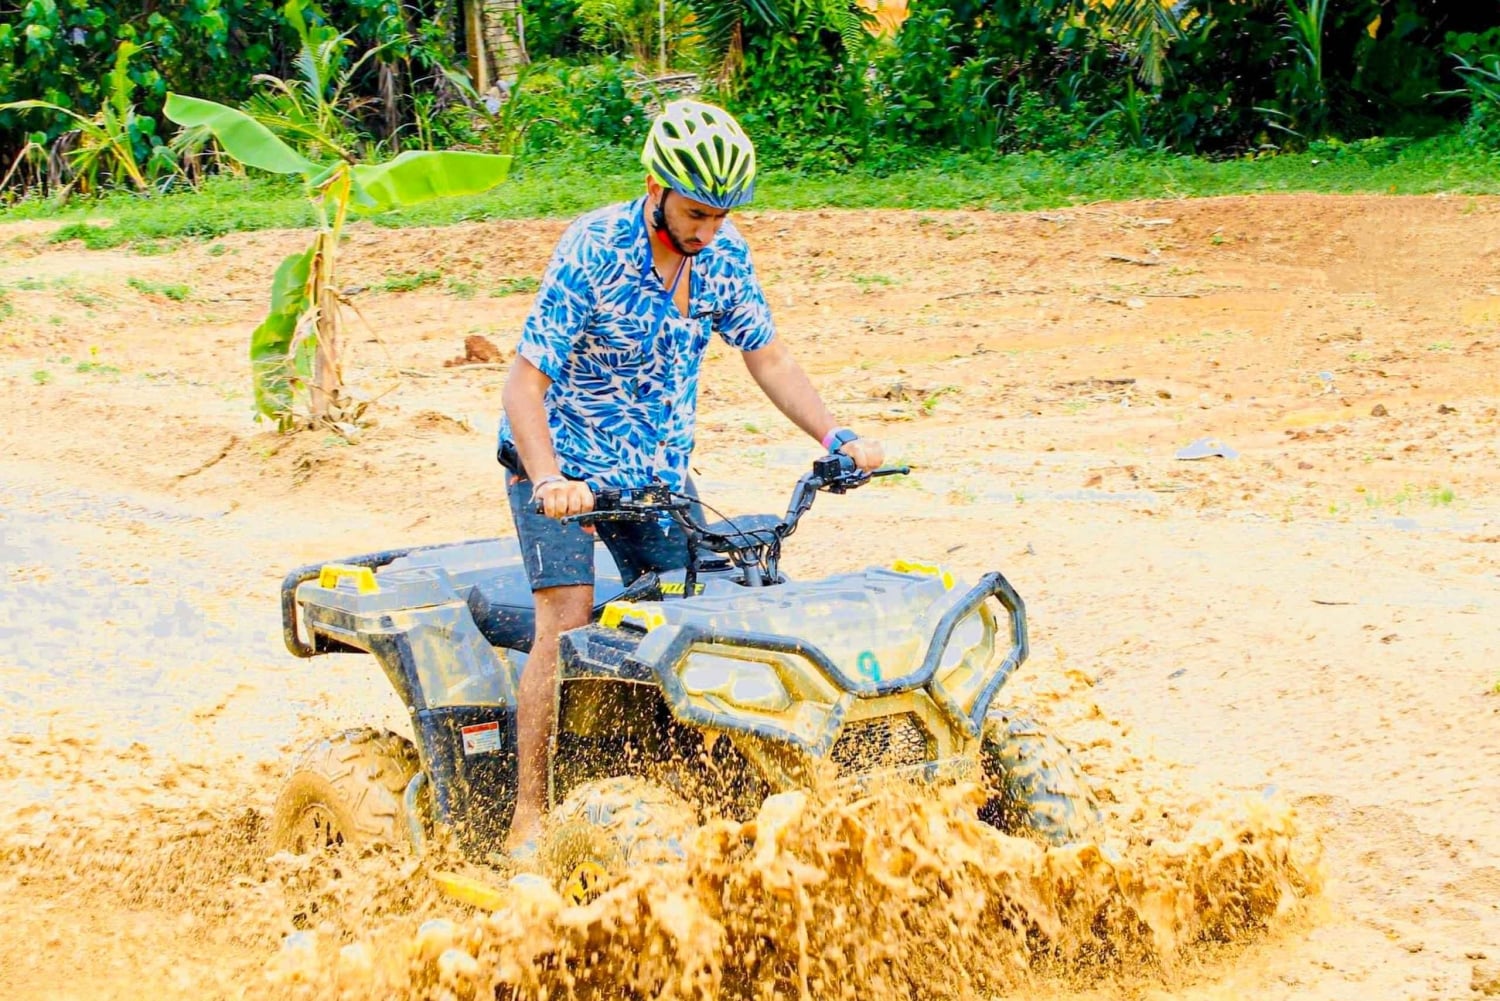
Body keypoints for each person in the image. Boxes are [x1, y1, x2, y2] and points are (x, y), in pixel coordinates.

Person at [496, 98, 885, 852]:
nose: (708, 231)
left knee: (697, 613)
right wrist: (547, 480)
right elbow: (523, 386)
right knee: (567, 619)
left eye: (721, 215)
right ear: (656, 188)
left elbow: (768, 354)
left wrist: (836, 434)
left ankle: (691, 787)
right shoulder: (593, 250)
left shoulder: (724, 256)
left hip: (655, 477)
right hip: (562, 467)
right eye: (697, 214)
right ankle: (530, 817)